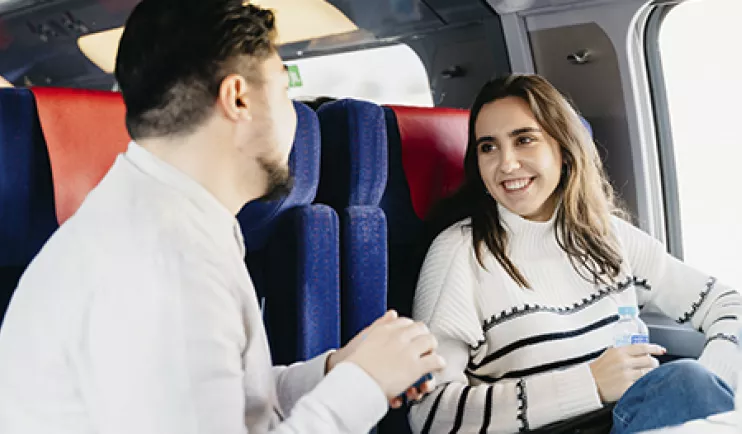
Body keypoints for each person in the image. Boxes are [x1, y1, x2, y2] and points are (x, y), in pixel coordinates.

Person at [0, 1, 445, 433]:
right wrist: (364, 385)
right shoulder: (166, 260)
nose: (295, 118)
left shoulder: (168, 218)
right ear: (238, 99)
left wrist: (336, 370)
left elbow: (229, 398)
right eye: (284, 92)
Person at [408, 74, 740, 434]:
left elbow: (728, 305)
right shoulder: (458, 253)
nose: (506, 164)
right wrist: (589, 385)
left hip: (630, 419)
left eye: (524, 140)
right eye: (488, 147)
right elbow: (431, 413)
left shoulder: (607, 235)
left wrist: (714, 380)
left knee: (690, 382)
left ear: (564, 150)